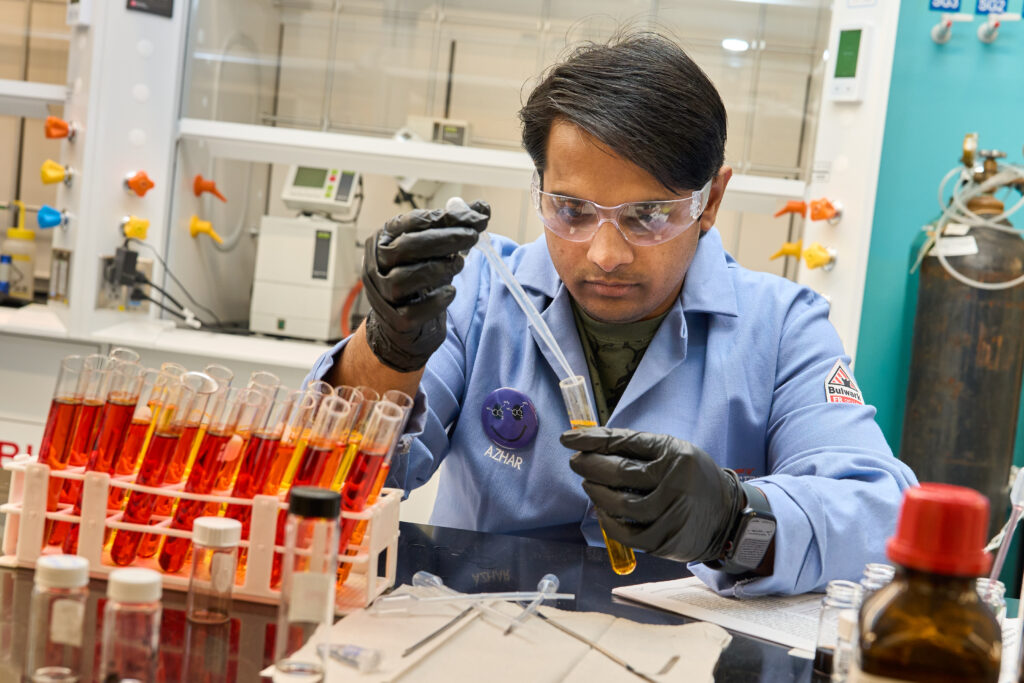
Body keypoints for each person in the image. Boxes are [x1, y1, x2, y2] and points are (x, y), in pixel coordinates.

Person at [306, 32, 917, 596]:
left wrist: (734, 520)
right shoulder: (481, 296)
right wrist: (386, 350)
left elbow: (878, 514)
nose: (605, 254)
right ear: (540, 184)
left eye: (647, 215)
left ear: (712, 201)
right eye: (570, 209)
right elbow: (331, 481)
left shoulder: (782, 327)